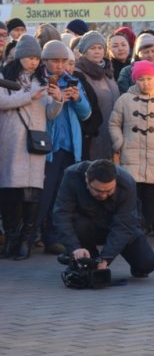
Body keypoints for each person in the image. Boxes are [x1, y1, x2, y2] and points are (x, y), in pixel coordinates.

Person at [0, 36, 62, 260]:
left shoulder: (41, 80)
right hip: (11, 142)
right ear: (19, 57)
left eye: (37, 58)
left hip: (35, 144)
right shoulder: (4, 77)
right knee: (10, 193)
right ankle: (12, 239)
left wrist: (57, 100)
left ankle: (26, 241)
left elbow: (50, 114)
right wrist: (29, 97)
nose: (34, 62)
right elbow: (2, 102)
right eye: (29, 57)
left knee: (33, 195)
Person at [109, 60, 154, 237]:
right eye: (141, 79)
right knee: (133, 193)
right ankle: (136, 225)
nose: (145, 83)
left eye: (149, 78)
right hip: (131, 153)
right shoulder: (124, 100)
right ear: (134, 80)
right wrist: (120, 143)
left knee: (152, 194)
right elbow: (114, 123)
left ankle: (152, 224)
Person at [53, 159, 154, 278]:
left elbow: (124, 226)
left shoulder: (127, 183)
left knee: (146, 265)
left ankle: (93, 260)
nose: (103, 195)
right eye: (97, 190)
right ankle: (84, 257)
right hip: (87, 227)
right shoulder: (72, 175)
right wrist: (74, 247)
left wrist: (105, 258)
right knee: (78, 223)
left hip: (117, 226)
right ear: (87, 179)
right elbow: (61, 215)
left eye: (109, 191)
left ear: (116, 181)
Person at [35, 40, 92, 255]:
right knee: (44, 195)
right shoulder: (40, 81)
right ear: (46, 61)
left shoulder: (73, 81)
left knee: (62, 196)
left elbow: (86, 114)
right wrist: (56, 98)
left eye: (65, 61)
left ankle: (54, 238)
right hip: (48, 148)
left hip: (70, 147)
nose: (60, 66)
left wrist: (77, 99)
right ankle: (32, 235)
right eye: (55, 61)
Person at [74, 31, 118, 160]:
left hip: (111, 133)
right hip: (92, 135)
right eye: (92, 48)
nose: (97, 51)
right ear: (84, 51)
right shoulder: (79, 74)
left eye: (100, 48)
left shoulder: (108, 72)